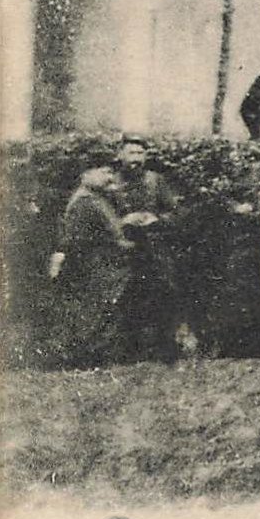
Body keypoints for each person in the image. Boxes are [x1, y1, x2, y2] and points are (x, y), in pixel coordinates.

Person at [108, 133, 183, 362]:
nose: (136, 158)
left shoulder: (155, 180)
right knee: (127, 298)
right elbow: (102, 215)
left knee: (163, 295)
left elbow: (176, 212)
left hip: (155, 249)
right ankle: (130, 350)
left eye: (141, 153)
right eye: (131, 152)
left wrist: (156, 219)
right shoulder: (111, 183)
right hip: (124, 251)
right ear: (120, 155)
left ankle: (165, 347)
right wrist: (123, 220)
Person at [46, 167, 132, 367]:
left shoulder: (97, 198)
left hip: (103, 262)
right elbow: (80, 240)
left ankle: (99, 355)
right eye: (103, 173)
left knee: (103, 308)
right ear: (85, 176)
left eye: (111, 173)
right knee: (97, 310)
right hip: (96, 264)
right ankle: (92, 357)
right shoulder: (85, 201)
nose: (109, 177)